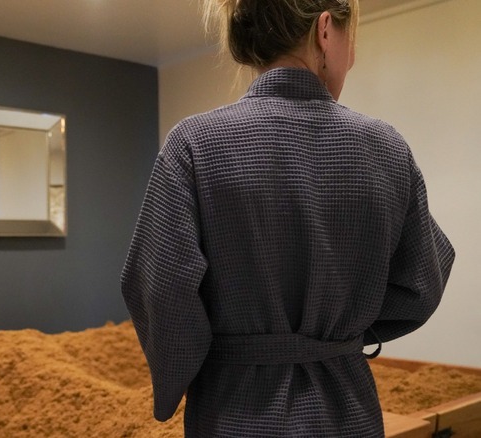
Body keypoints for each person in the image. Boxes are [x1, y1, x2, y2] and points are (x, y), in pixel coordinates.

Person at [120, 0, 455, 436]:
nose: (352, 58)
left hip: (232, 410)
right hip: (347, 410)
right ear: (325, 32)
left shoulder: (194, 146)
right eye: (352, 40)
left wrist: (183, 377)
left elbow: (159, 289)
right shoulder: (386, 149)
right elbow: (421, 285)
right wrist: (340, 331)